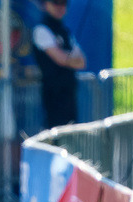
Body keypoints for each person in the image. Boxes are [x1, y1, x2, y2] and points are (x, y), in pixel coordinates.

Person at [32, 0, 85, 129]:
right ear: (46, 4)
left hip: (69, 93)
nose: (60, 7)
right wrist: (69, 59)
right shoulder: (41, 29)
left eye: (63, 3)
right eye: (56, 3)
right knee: (55, 132)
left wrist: (67, 59)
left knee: (71, 131)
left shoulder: (65, 31)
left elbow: (82, 62)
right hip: (53, 93)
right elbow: (60, 59)